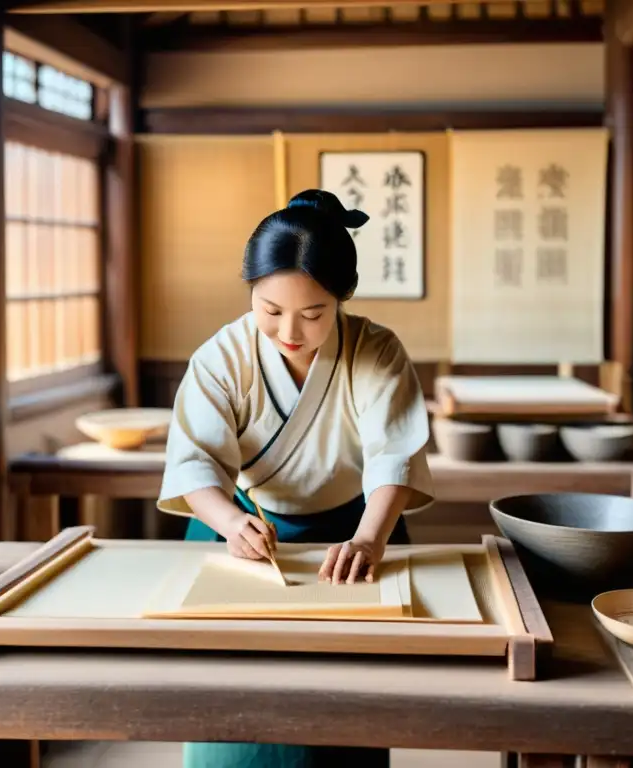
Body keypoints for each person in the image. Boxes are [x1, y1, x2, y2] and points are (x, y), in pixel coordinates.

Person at [157, 188, 434, 768]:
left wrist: (369, 538)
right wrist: (231, 521)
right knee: (230, 707)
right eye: (269, 310)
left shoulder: (376, 351)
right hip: (245, 535)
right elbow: (195, 462)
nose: (289, 330)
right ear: (250, 291)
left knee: (345, 711)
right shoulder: (222, 356)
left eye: (313, 314)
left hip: (354, 538)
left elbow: (393, 458)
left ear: (342, 299)